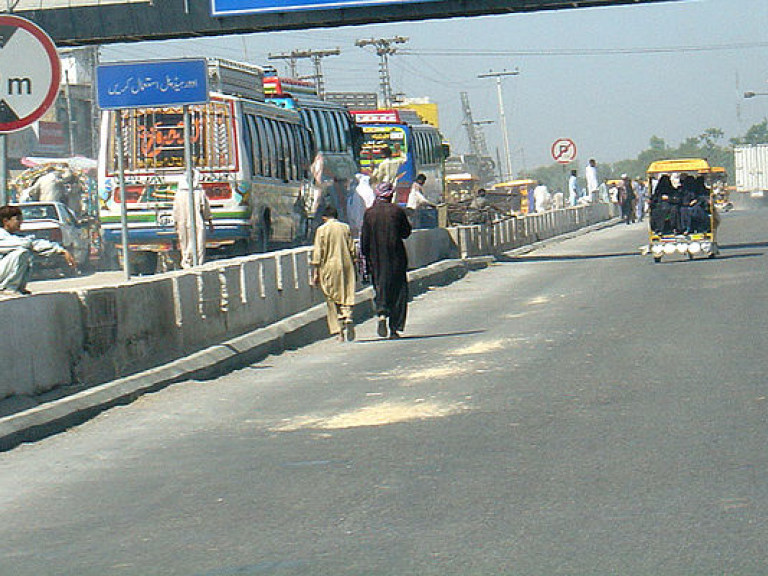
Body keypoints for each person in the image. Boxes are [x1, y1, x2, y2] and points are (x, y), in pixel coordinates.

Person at [360, 181, 412, 340]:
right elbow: (406, 233)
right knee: (398, 291)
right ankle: (394, 329)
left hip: (376, 259)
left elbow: (364, 240)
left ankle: (382, 312)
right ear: (390, 195)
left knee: (380, 286)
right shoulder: (397, 211)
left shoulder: (369, 213)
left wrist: (365, 261)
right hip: (396, 258)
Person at [0, 205, 76, 295]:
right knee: (22, 253)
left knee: (27, 254)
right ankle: (8, 288)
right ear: (6, 221)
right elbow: (25, 244)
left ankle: (18, 287)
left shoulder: (13, 235)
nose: (21, 222)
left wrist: (61, 251)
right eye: (17, 219)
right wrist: (30, 243)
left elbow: (35, 244)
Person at [311, 205, 357, 343]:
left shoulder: (321, 230)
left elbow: (318, 253)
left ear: (324, 217)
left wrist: (315, 273)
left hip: (329, 267)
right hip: (346, 264)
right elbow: (352, 249)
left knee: (331, 297)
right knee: (346, 293)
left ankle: (339, 331)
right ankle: (347, 315)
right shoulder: (345, 228)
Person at [173, 172, 213, 268]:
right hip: (195, 222)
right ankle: (196, 263)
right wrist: (210, 221)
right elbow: (205, 208)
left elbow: (175, 210)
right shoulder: (199, 192)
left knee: (186, 242)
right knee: (197, 242)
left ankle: (187, 262)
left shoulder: (179, 193)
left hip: (184, 222)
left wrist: (175, 223)